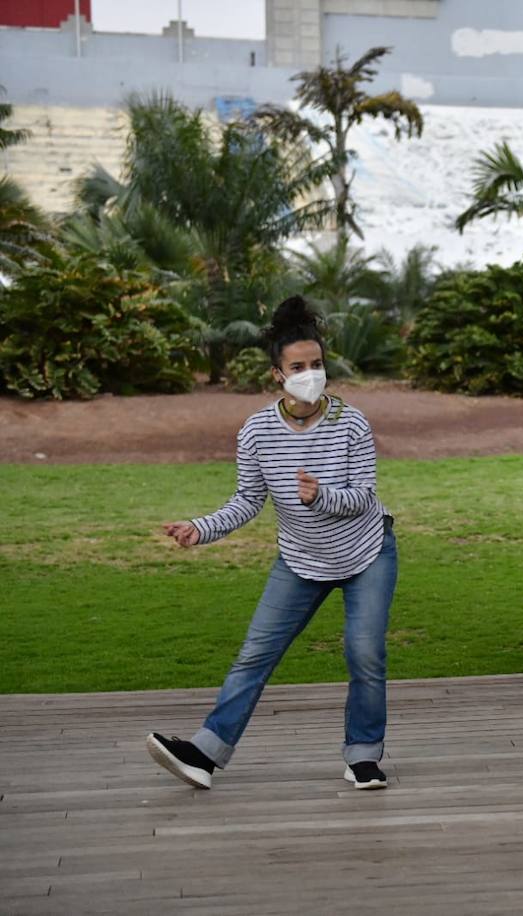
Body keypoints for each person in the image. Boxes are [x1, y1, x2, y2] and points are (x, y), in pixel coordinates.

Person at [146, 297, 398, 790]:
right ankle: (204, 753)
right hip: (301, 559)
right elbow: (246, 500)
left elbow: (364, 498)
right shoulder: (258, 431)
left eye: (318, 364)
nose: (311, 374)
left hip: (366, 552)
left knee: (364, 651)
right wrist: (201, 528)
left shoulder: (351, 422)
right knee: (254, 654)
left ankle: (363, 757)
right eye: (298, 367)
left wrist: (320, 495)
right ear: (277, 376)